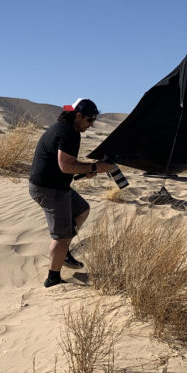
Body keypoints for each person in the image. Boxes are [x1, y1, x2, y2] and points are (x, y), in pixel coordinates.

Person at [28, 98, 116, 288]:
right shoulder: (67, 132)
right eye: (89, 120)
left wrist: (88, 170)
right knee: (61, 237)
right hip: (49, 189)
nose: (91, 125)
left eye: (93, 121)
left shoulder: (70, 130)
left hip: (56, 186)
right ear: (78, 115)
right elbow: (66, 166)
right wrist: (95, 167)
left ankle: (64, 250)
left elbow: (65, 166)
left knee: (82, 210)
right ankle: (53, 279)